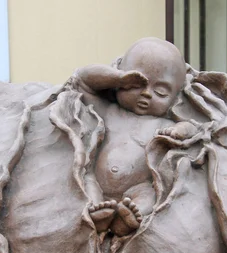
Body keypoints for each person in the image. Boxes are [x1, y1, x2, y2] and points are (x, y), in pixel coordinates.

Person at [74, 38, 196, 236]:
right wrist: (118, 78)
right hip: (97, 181)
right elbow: (82, 80)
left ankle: (126, 221)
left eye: (160, 92)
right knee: (87, 182)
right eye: (136, 85)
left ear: (175, 98)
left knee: (149, 193)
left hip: (137, 187)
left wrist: (180, 131)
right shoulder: (108, 111)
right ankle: (98, 213)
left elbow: (194, 128)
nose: (146, 94)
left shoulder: (163, 124)